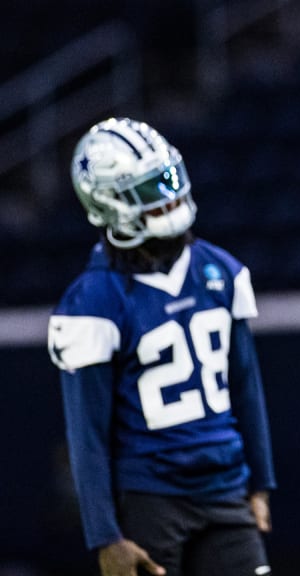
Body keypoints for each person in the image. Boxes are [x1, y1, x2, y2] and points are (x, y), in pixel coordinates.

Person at [48, 117, 277, 576]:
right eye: (150, 188)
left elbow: (246, 386)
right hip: (150, 497)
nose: (169, 195)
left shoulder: (220, 270)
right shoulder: (94, 299)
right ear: (109, 202)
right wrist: (105, 535)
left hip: (226, 487)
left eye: (168, 178)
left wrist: (260, 481)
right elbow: (86, 430)